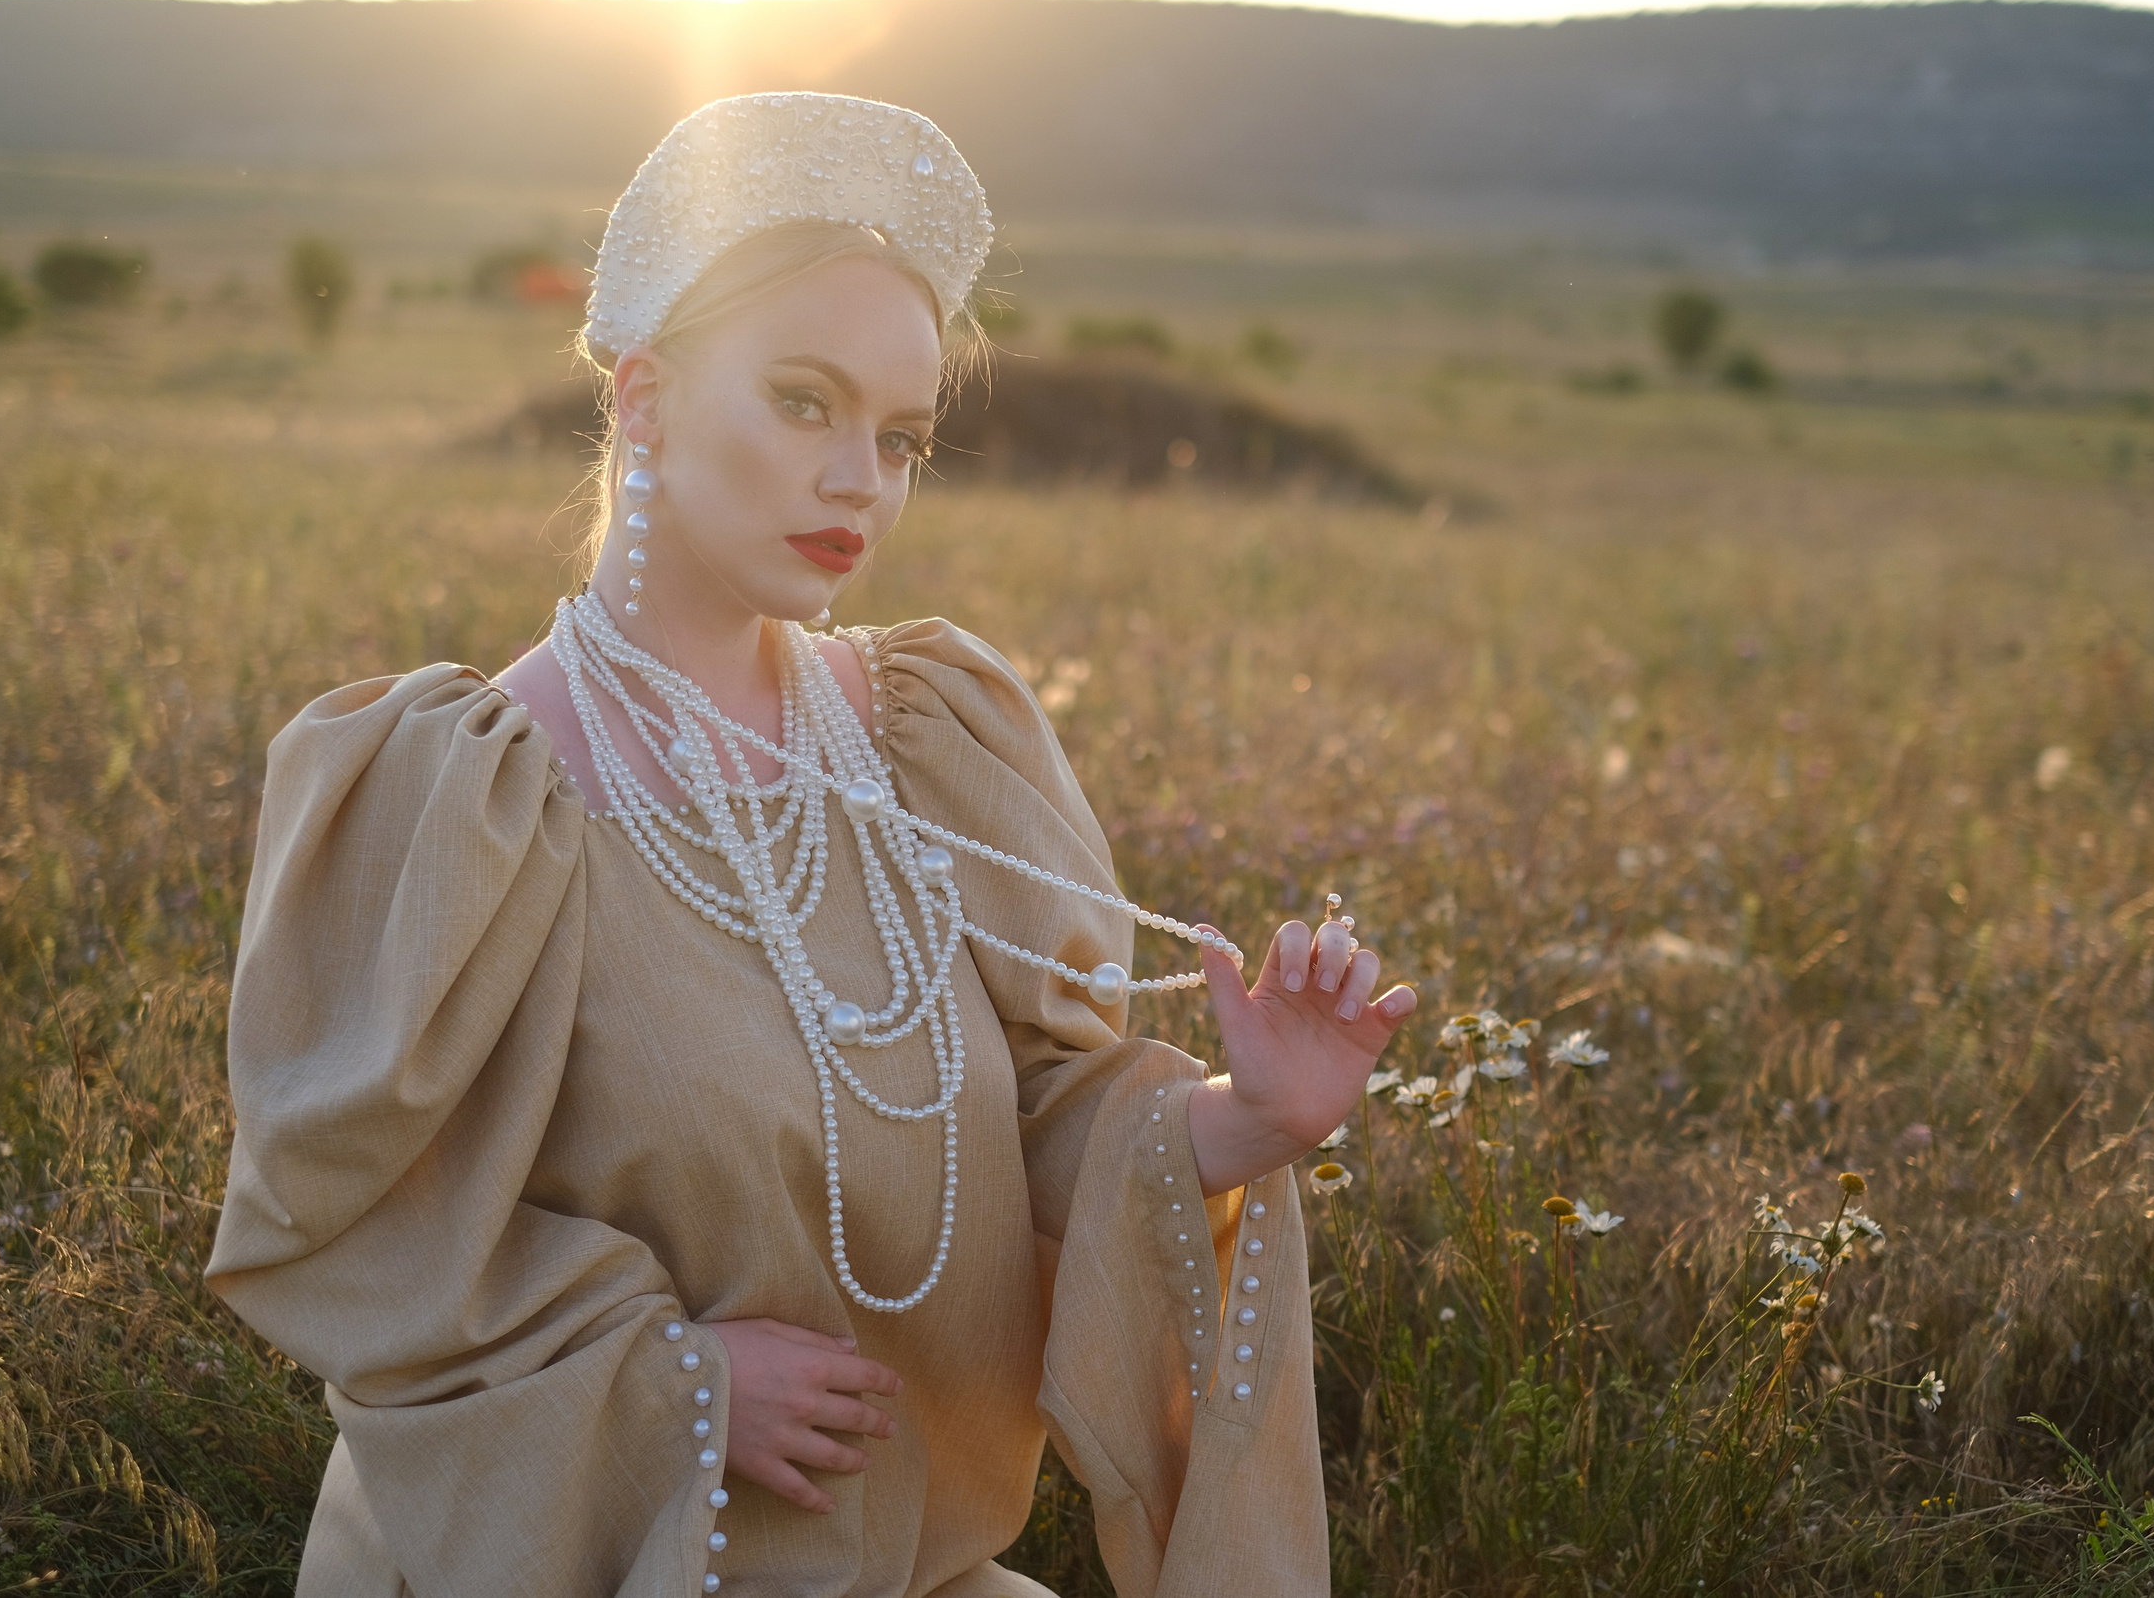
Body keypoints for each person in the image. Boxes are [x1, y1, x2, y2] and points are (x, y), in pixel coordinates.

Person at [204, 92, 1416, 1598]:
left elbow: (1037, 1115)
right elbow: (356, 1227)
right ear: (642, 396)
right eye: (802, 401)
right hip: (576, 1555)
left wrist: (1247, 1121)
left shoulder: (929, 737)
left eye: (902, 434)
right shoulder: (461, 794)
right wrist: (667, 1379)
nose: (864, 480)